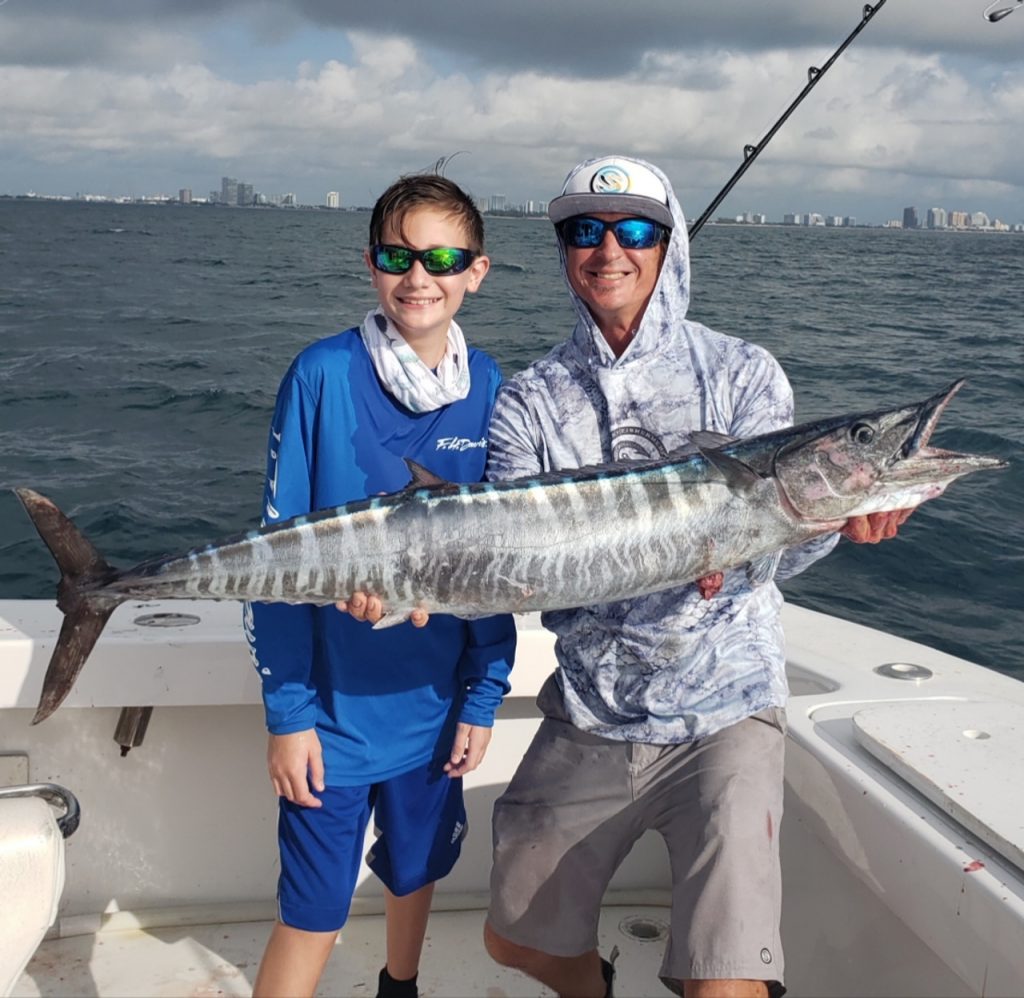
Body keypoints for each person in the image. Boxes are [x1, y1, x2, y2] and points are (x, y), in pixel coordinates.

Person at [474, 156, 911, 998]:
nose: (610, 250)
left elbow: (776, 548)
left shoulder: (744, 373)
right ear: (564, 250)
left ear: (669, 246)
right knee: (512, 941)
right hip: (593, 710)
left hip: (726, 710)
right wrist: (419, 587)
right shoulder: (528, 400)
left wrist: (839, 527)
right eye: (585, 231)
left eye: (637, 229)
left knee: (726, 987)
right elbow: (513, 562)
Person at [244, 172, 517, 998]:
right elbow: (273, 556)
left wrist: (483, 693)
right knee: (314, 910)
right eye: (398, 254)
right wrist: (288, 716)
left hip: (436, 710)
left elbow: (498, 563)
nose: (418, 275)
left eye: (442, 256)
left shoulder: (495, 387)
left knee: (415, 870)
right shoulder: (323, 373)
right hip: (331, 714)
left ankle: (400, 986)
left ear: (477, 270)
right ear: (370, 264)